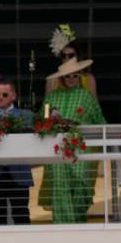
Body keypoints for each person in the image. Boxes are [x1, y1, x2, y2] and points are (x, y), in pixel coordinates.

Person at [39, 58, 106, 224]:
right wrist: (53, 122)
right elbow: (42, 120)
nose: (71, 79)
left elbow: (99, 120)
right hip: (56, 146)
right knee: (60, 185)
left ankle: (78, 222)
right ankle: (63, 225)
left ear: (79, 77)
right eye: (67, 76)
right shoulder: (51, 98)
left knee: (81, 182)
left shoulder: (86, 96)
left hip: (81, 146)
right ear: (62, 78)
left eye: (75, 76)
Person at [0, 80, 34, 225]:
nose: (0, 97)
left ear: (13, 96)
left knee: (22, 216)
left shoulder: (26, 116)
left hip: (19, 172)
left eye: (5, 94)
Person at [45, 25, 98, 98]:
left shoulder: (88, 79)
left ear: (77, 56)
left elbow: (95, 106)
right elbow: (46, 106)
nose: (67, 59)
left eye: (71, 55)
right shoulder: (53, 81)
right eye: (64, 55)